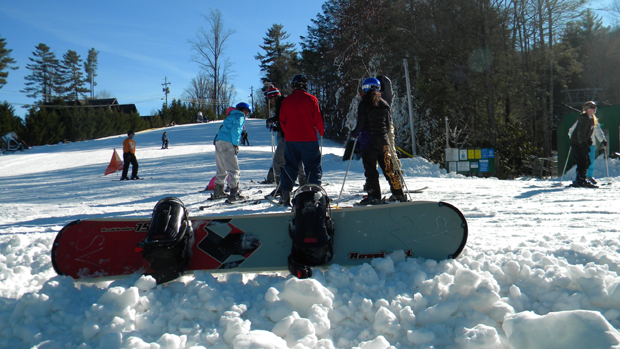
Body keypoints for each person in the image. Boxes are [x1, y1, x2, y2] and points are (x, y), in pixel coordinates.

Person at [350, 77, 407, 204]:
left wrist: (354, 134)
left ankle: (374, 196)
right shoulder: (384, 104)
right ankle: (399, 194)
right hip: (383, 142)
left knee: (371, 170)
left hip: (368, 143)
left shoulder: (363, 104)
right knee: (389, 169)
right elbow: (387, 126)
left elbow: (360, 125)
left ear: (365, 88)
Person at [278, 75, 324, 206]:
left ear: (293, 85)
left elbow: (282, 120)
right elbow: (317, 118)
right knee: (313, 166)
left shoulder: (287, 101)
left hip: (292, 139)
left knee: (290, 166)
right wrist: (321, 131)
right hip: (309, 139)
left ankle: (285, 195)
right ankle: (316, 194)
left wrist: (288, 133)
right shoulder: (311, 99)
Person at [265, 85, 306, 197]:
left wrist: (272, 121)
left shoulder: (281, 103)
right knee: (296, 159)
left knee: (278, 161)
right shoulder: (286, 102)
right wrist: (277, 126)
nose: (270, 101)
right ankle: (303, 182)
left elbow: (281, 118)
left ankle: (281, 187)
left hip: (287, 137)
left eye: (270, 98)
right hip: (295, 135)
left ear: (275, 96)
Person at [211, 102, 250, 201]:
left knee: (222, 168)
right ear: (244, 110)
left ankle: (218, 191)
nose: (247, 114)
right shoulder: (239, 116)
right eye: (248, 112)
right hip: (228, 143)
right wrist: (235, 144)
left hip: (219, 141)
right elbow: (236, 130)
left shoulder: (230, 116)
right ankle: (234, 193)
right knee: (233, 169)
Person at [570, 101, 598, 188]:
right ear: (586, 109)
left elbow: (587, 133)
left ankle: (579, 179)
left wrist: (588, 140)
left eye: (595, 107)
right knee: (583, 162)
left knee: (585, 162)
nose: (594, 109)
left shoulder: (590, 118)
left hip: (580, 143)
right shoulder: (584, 119)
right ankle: (581, 180)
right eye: (592, 107)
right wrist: (583, 144)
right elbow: (580, 133)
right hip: (578, 143)